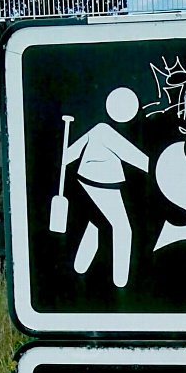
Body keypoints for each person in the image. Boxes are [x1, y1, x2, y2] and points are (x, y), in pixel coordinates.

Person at [62, 87, 149, 288]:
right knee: (123, 229)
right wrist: (154, 167)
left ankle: (79, 269)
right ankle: (121, 283)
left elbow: (69, 155)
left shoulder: (97, 130)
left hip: (89, 183)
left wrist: (64, 155)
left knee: (96, 223)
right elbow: (132, 155)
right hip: (101, 186)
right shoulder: (105, 132)